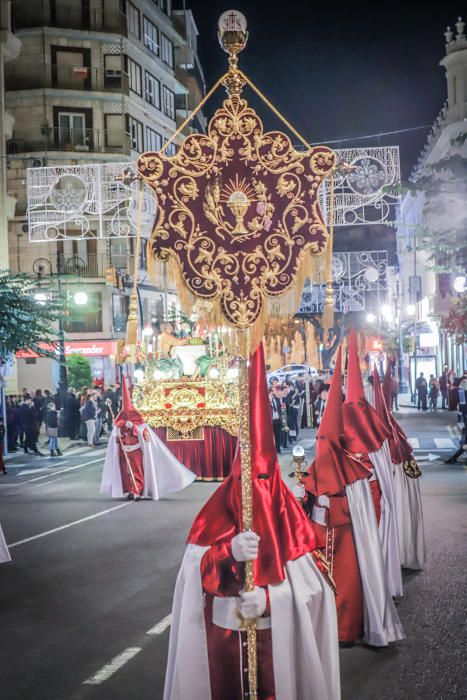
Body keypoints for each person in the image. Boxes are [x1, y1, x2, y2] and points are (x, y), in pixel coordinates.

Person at [163, 344, 340, 700]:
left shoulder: (291, 528)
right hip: (222, 652)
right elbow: (191, 581)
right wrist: (227, 551)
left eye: (263, 480)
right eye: (248, 479)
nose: (255, 490)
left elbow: (319, 594)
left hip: (277, 655)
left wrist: (272, 600)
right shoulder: (210, 522)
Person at [301, 346, 404, 648]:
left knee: (348, 582)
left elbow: (358, 499)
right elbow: (306, 494)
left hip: (345, 535)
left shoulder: (357, 466)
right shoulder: (321, 462)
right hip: (322, 535)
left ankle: (346, 629)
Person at [343, 330, 403, 599]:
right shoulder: (340, 434)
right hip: (348, 501)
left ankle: (377, 583)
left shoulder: (375, 437)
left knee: (372, 542)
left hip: (372, 495)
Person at [101, 377, 195, 501]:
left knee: (137, 471)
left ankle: (137, 491)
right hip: (124, 452)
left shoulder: (140, 423)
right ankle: (130, 489)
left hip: (136, 451)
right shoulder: (119, 423)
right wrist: (117, 434)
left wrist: (134, 427)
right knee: (126, 473)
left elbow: (145, 437)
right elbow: (115, 438)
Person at [381, 364, 426, 570]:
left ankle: (397, 554)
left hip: (398, 479)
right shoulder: (393, 429)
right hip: (399, 477)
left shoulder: (389, 431)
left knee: (398, 519)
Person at [269, 387, 282, 454]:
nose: (276, 391)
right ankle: (271, 450)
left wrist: (281, 418)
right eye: (275, 390)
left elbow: (279, 409)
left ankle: (278, 449)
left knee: (278, 435)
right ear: (271, 391)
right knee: (271, 436)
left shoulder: (276, 399)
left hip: (277, 420)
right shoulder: (266, 400)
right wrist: (270, 401)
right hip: (270, 421)